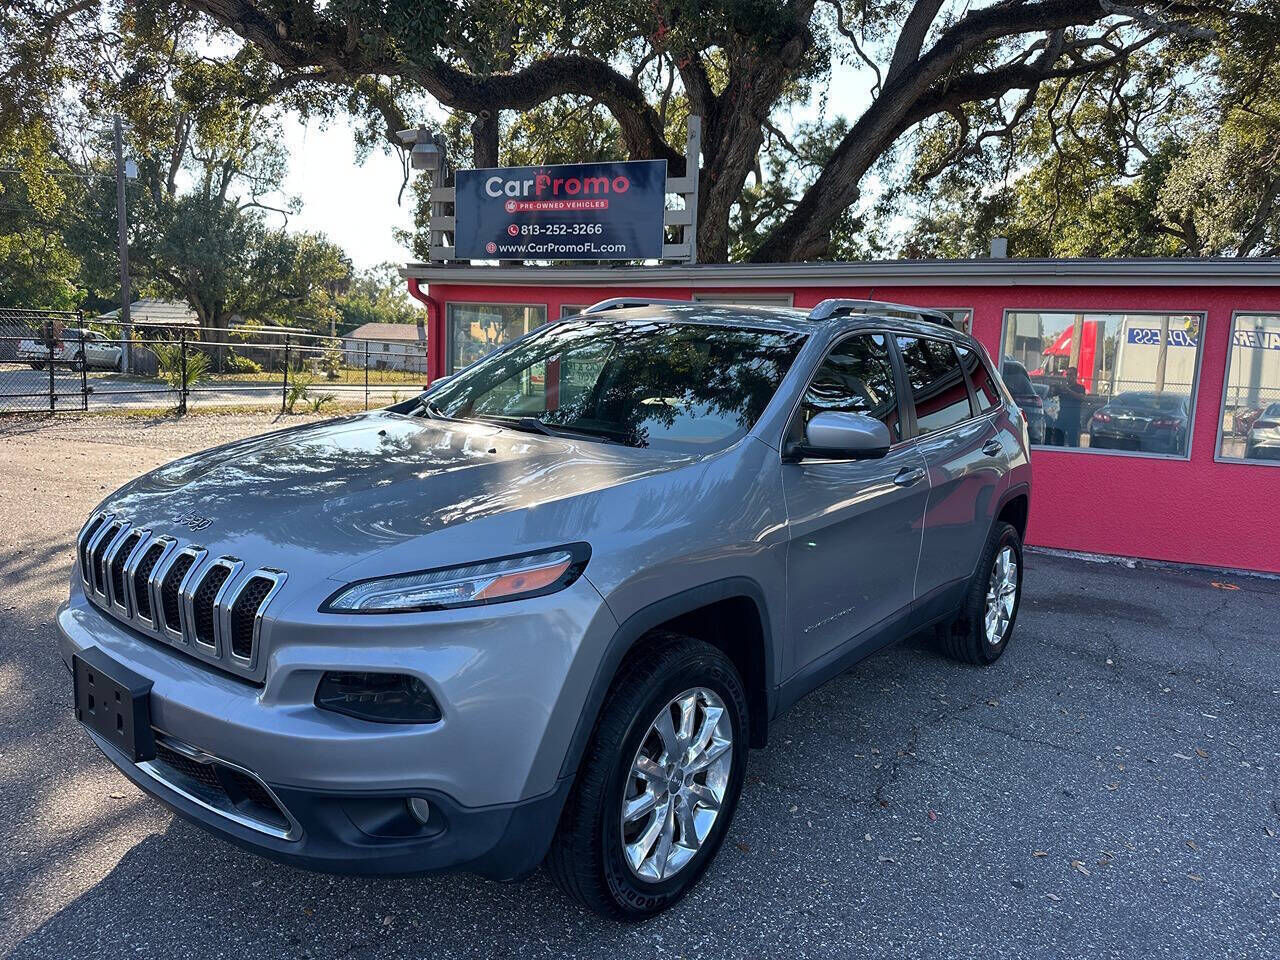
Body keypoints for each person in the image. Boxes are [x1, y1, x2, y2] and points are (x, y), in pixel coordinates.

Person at [1056, 365, 1087, 447]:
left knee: (1072, 441)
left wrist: (1068, 390)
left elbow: (1081, 397)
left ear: (1075, 376)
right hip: (1062, 416)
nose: (1068, 377)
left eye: (1071, 375)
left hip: (1073, 417)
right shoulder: (1062, 388)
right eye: (1067, 374)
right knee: (1058, 441)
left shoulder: (1080, 387)